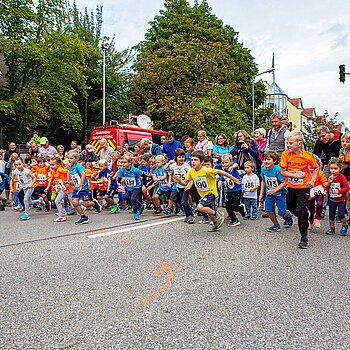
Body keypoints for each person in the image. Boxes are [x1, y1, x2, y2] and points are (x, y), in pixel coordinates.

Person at [174, 150, 238, 232]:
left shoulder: (206, 170)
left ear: (202, 161)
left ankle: (218, 214)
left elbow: (220, 171)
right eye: (192, 159)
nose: (193, 162)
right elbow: (185, 183)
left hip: (211, 192)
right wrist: (179, 181)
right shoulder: (191, 171)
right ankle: (216, 224)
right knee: (209, 211)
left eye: (195, 160)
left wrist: (232, 178)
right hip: (203, 194)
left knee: (200, 207)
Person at [281, 130, 319, 249]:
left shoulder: (308, 156)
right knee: (290, 206)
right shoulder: (286, 154)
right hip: (291, 186)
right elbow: (283, 171)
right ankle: (303, 215)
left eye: (290, 143)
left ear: (299, 144)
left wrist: (312, 180)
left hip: (303, 187)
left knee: (302, 209)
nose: (288, 146)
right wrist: (295, 175)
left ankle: (304, 237)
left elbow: (316, 167)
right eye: (287, 143)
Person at [259, 151, 293, 232]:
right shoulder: (263, 170)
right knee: (268, 211)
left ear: (274, 161)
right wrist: (261, 194)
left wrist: (274, 190)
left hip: (279, 193)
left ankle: (287, 215)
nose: (266, 161)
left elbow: (283, 183)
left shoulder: (278, 169)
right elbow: (263, 181)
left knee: (282, 212)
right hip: (269, 193)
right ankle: (276, 225)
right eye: (264, 159)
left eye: (268, 159)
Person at [66, 150, 101, 224]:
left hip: (83, 188)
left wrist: (81, 186)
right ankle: (83, 217)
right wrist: (69, 183)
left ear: (76, 158)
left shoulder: (79, 167)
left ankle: (94, 203)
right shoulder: (71, 168)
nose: (69, 160)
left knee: (86, 204)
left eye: (71, 158)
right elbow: (75, 178)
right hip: (76, 188)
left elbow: (83, 175)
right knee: (75, 202)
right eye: (68, 158)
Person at [218, 153, 246, 227]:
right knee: (227, 206)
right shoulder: (223, 171)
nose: (224, 164)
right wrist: (219, 183)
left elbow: (236, 164)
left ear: (231, 162)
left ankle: (241, 208)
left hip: (237, 191)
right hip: (229, 191)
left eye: (226, 162)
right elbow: (221, 178)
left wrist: (233, 166)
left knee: (235, 207)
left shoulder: (233, 169)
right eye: (223, 163)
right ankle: (234, 220)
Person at [117, 153, 146, 220]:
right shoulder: (122, 170)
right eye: (122, 162)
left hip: (136, 187)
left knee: (133, 199)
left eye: (125, 162)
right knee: (126, 197)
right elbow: (119, 178)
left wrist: (143, 185)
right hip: (128, 187)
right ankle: (141, 205)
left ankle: (136, 213)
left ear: (130, 162)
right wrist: (121, 180)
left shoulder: (134, 170)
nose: (123, 164)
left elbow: (143, 175)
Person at [325, 158, 349, 235]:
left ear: (340, 169)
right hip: (332, 199)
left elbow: (347, 188)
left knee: (341, 214)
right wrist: (326, 190)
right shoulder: (329, 176)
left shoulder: (342, 177)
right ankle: (332, 228)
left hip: (341, 199)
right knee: (331, 215)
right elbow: (327, 185)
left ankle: (345, 225)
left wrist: (339, 191)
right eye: (331, 168)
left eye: (335, 169)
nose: (333, 171)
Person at [168, 148, 193, 222]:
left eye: (182, 157)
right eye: (179, 157)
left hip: (186, 185)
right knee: (183, 201)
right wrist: (170, 181)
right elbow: (171, 174)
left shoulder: (186, 166)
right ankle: (187, 215)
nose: (181, 159)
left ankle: (190, 215)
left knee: (184, 201)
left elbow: (191, 176)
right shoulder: (174, 165)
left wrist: (190, 185)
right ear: (175, 158)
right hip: (179, 186)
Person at [308, 155, 328, 229]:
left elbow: (324, 182)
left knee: (319, 204)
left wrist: (328, 184)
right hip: (310, 193)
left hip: (319, 191)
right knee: (311, 208)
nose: (311, 166)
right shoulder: (306, 173)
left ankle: (317, 218)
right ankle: (310, 221)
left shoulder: (320, 173)